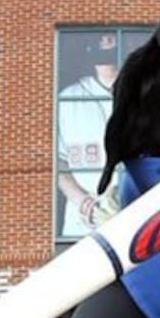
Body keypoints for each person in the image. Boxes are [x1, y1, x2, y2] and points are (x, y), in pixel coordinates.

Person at [55, 33, 123, 239]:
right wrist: (82, 200)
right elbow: (56, 163)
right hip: (82, 222)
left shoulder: (145, 93)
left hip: (133, 212)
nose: (107, 44)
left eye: (112, 43)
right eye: (101, 43)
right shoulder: (68, 98)